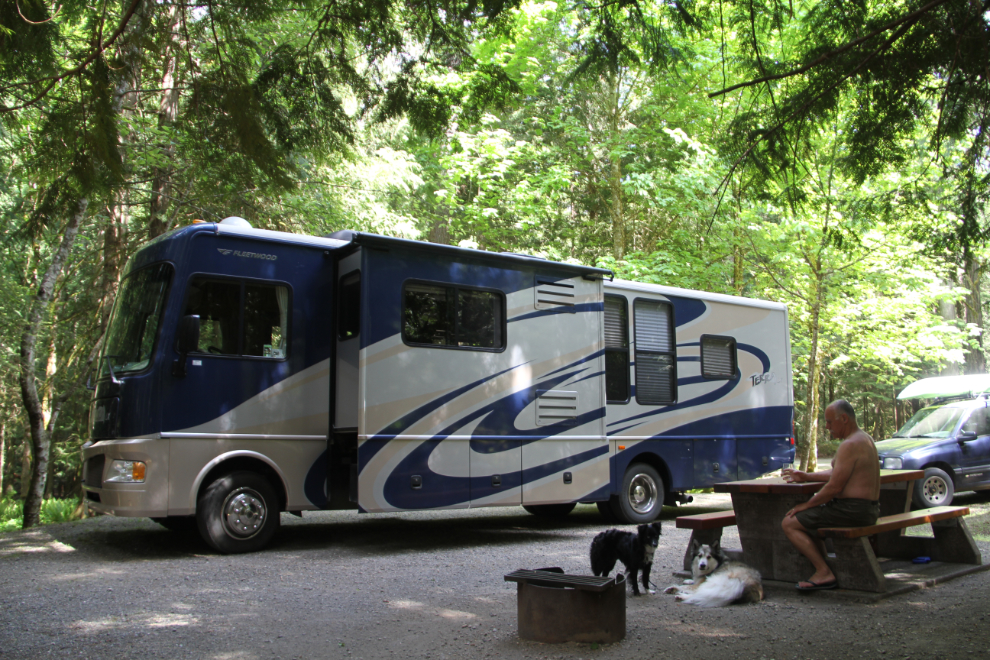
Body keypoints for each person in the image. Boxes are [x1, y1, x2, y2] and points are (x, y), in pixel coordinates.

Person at [781, 399, 880, 591]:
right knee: (808, 521)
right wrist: (806, 476)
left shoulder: (850, 445)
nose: (827, 427)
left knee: (790, 522)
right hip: (868, 509)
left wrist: (806, 505)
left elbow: (834, 487)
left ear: (844, 418)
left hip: (852, 510)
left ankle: (823, 572)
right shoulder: (864, 439)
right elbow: (838, 474)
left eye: (829, 422)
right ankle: (826, 567)